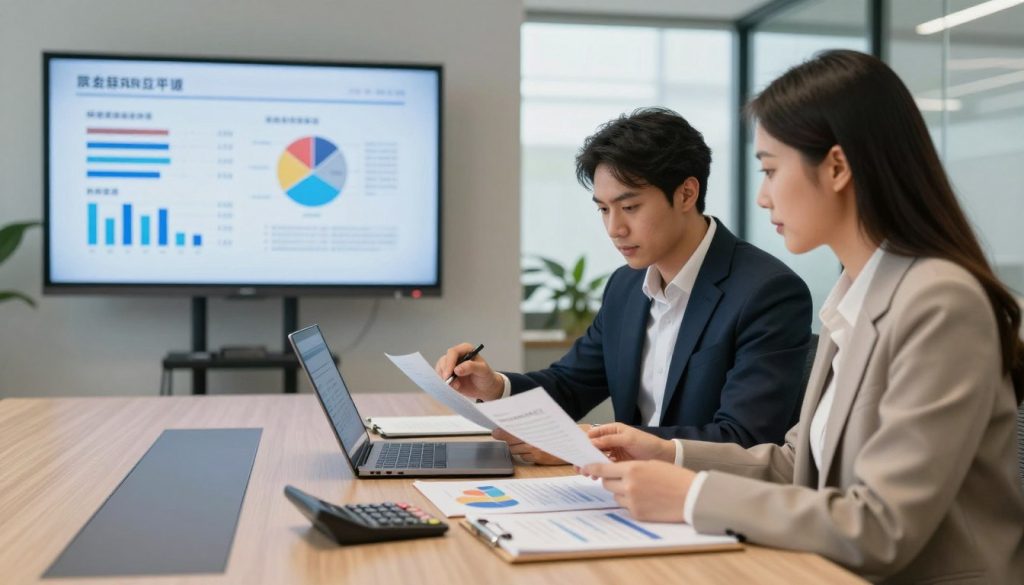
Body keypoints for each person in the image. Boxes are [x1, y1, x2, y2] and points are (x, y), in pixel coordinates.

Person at [581, 50, 1024, 583]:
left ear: (837, 167)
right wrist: (669, 454)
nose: (763, 198)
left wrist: (694, 495)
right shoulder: (854, 292)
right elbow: (799, 467)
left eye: (770, 169)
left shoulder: (940, 303)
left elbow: (882, 527)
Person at [436, 107, 812, 464]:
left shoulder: (767, 292)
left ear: (686, 194)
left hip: (704, 505)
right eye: (603, 209)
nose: (614, 228)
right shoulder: (626, 285)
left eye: (629, 207)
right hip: (625, 496)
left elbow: (743, 438)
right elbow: (570, 385)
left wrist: (598, 443)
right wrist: (493, 386)